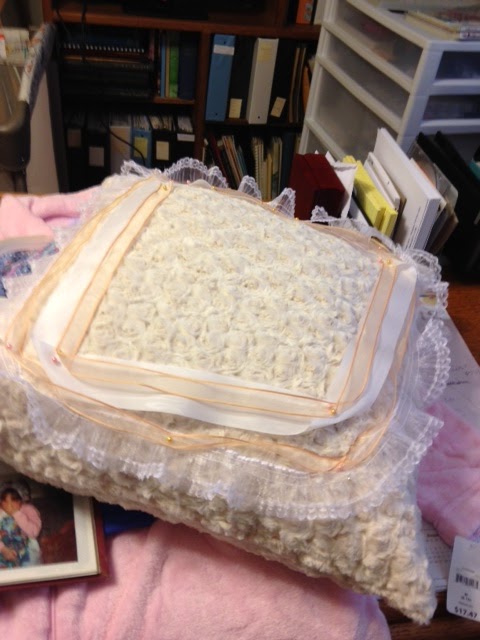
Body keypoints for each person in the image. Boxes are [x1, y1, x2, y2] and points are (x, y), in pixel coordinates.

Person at [0, 486, 42, 568]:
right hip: (3, 549)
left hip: (26, 549)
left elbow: (34, 532)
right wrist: (3, 550)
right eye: (5, 502)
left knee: (27, 569)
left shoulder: (28, 510)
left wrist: (16, 513)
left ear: (20, 502)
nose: (9, 505)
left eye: (13, 501)